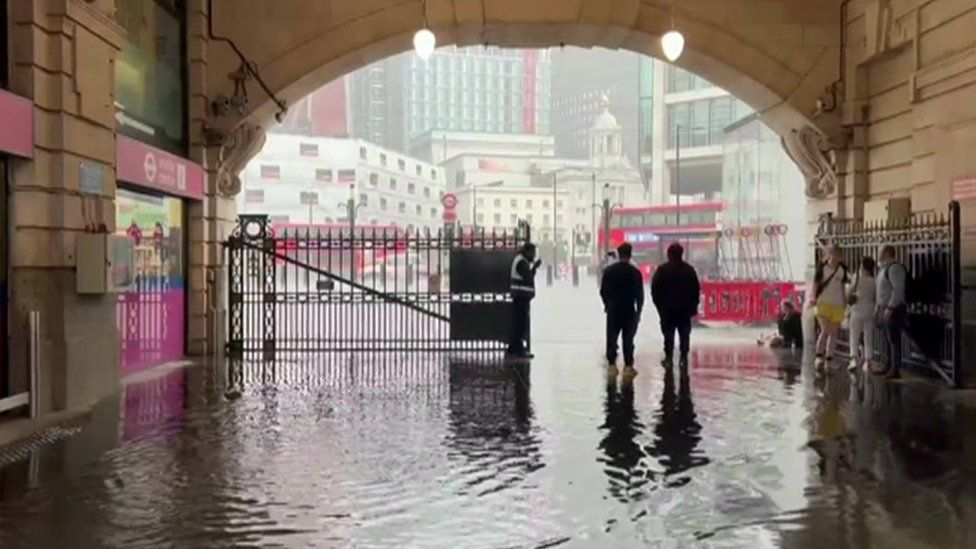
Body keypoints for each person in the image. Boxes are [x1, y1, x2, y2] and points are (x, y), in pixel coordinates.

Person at [651, 243, 701, 367]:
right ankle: (683, 357)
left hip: (667, 310)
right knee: (684, 335)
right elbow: (696, 290)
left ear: (668, 255)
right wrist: (692, 307)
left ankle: (668, 358)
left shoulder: (662, 270)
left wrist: (660, 308)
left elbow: (655, 290)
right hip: (684, 311)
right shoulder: (689, 270)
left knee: (668, 335)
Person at [600, 243, 645, 372]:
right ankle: (628, 366)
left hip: (613, 310)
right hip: (629, 310)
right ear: (630, 255)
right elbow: (640, 295)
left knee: (612, 338)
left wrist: (606, 304)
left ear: (619, 254)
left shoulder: (609, 272)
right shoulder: (635, 272)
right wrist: (639, 311)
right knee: (628, 339)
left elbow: (603, 291)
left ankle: (612, 365)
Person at [809, 244, 849, 369]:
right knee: (825, 330)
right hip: (823, 302)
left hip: (837, 304)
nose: (837, 256)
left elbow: (842, 287)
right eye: (834, 253)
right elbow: (815, 284)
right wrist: (813, 298)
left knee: (834, 332)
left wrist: (844, 302)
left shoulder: (842, 269)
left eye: (838, 254)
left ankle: (830, 358)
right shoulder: (822, 268)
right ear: (829, 254)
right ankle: (819, 356)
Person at [875, 245, 907, 379]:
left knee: (893, 339)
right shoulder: (883, 269)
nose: (878, 253)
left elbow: (898, 289)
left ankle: (895, 368)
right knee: (886, 339)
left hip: (892, 308)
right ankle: (887, 364)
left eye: (880, 251)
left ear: (887, 253)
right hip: (883, 307)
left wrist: (891, 307)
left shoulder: (895, 268)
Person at [507, 243, 541, 358]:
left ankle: (515, 348)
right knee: (520, 324)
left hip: (521, 297)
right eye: (532, 253)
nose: (534, 255)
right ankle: (516, 349)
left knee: (520, 323)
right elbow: (528, 277)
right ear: (527, 252)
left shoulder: (521, 260)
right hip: (520, 297)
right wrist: (535, 267)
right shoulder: (521, 262)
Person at [846, 256, 877, 373]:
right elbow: (875, 296)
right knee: (868, 336)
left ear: (862, 266)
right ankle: (868, 361)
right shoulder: (874, 280)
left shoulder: (857, 278)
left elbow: (849, 292)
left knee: (854, 335)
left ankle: (854, 359)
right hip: (870, 310)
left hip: (857, 310)